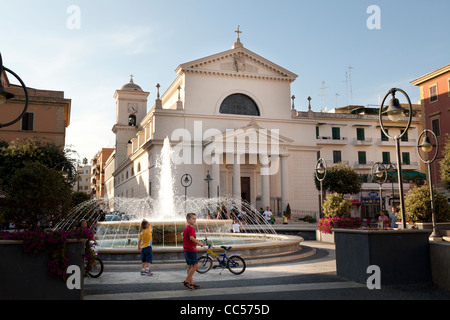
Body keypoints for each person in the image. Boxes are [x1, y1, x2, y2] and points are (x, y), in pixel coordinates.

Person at [182, 213, 203, 290]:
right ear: (188, 220)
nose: (194, 220)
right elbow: (191, 238)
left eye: (195, 219)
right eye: (193, 218)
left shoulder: (186, 228)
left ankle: (192, 283)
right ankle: (186, 281)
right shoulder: (191, 229)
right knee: (195, 266)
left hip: (186, 250)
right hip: (191, 250)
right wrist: (199, 243)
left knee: (190, 266)